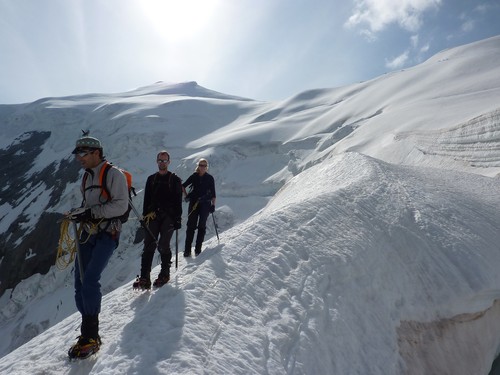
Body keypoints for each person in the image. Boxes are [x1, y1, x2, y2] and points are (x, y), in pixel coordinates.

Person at [67, 135, 129, 359]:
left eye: (83, 154)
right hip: (88, 232)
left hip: (106, 233)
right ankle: (87, 331)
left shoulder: (114, 175)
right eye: (77, 154)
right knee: (79, 281)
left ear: (96, 153)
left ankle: (91, 335)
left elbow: (121, 206)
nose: (79, 158)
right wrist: (80, 212)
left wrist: (92, 213)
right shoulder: (86, 177)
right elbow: (89, 204)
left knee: (90, 279)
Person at [133, 150, 183, 289]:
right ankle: (144, 277)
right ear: (157, 161)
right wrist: (144, 217)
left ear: (169, 162)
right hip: (153, 216)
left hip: (169, 217)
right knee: (149, 245)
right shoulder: (151, 179)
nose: (162, 163)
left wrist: (177, 218)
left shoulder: (174, 180)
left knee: (163, 245)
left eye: (165, 160)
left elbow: (178, 200)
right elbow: (146, 200)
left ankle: (164, 273)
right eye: (160, 160)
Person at [183, 158, 216, 257]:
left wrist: (213, 205)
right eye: (201, 165)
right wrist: (186, 196)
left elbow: (213, 194)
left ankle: (198, 250)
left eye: (204, 166)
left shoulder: (210, 178)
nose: (202, 167)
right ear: (198, 166)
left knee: (201, 226)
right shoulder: (194, 176)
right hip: (195, 203)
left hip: (204, 204)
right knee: (191, 226)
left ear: (206, 167)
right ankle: (187, 250)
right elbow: (183, 186)